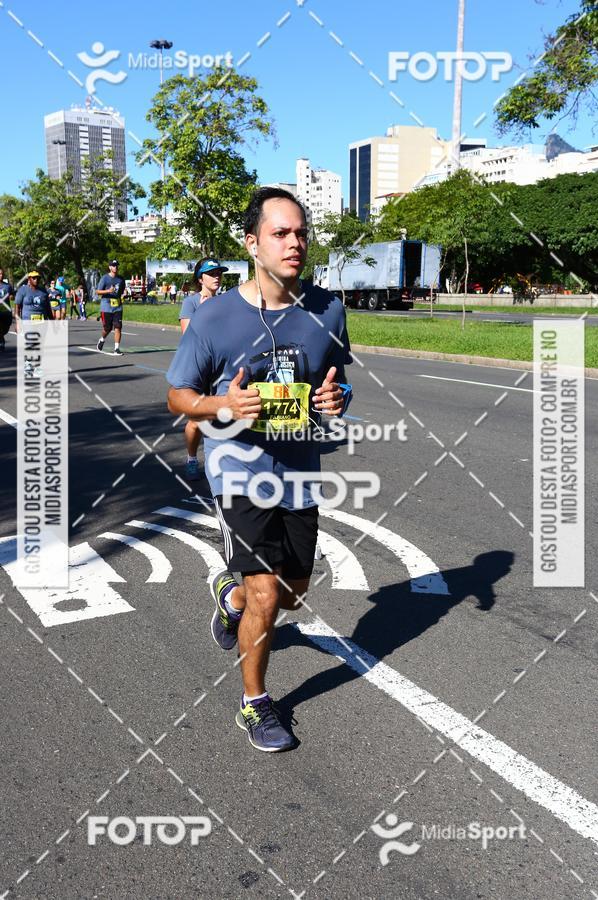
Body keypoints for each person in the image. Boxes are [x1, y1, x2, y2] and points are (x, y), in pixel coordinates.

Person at [166, 187, 352, 752]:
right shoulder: (215, 316)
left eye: (300, 233)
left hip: (298, 468)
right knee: (267, 592)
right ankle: (256, 703)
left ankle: (232, 598)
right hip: (238, 469)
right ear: (253, 244)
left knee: (292, 594)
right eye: (281, 234)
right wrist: (222, 406)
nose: (295, 243)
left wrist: (336, 397)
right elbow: (178, 395)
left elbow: (338, 377)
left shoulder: (327, 309)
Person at [179, 257, 229, 480]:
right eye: (212, 273)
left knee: (225, 415)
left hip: (221, 369)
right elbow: (188, 337)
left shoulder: (226, 302)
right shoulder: (191, 303)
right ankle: (191, 458)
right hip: (199, 370)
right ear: (201, 279)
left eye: (219, 273)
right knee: (197, 421)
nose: (217, 276)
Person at [96, 259, 125, 355]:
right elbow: (98, 291)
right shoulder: (105, 278)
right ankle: (102, 339)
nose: (115, 267)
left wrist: (123, 294)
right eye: (113, 265)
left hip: (117, 306)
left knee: (118, 327)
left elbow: (122, 290)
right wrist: (108, 291)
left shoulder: (121, 279)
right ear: (110, 267)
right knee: (107, 328)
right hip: (106, 306)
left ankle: (116, 349)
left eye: (116, 265)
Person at [0, 267, 15, 351]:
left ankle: (1, 336)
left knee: (6, 328)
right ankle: (1, 342)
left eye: (2, 274)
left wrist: (11, 297)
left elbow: (12, 296)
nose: (1, 275)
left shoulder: (7, 286)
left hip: (6, 311)